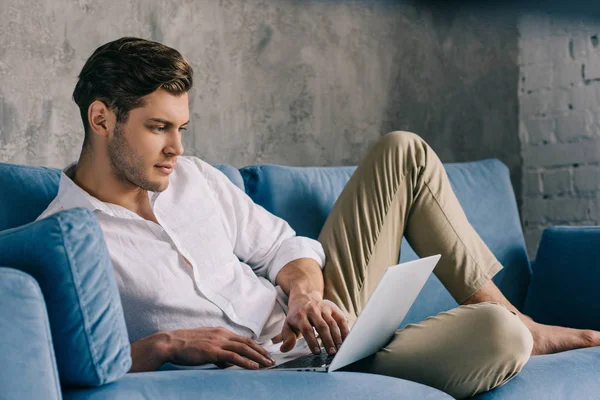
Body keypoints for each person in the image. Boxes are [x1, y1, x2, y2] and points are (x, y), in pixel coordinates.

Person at [37, 36, 600, 399]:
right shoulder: (65, 235)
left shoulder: (193, 177)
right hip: (283, 372)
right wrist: (167, 345)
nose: (176, 148)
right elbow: (71, 361)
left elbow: (285, 245)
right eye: (159, 127)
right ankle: (508, 329)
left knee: (403, 151)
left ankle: (521, 318)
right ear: (102, 118)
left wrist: (306, 293)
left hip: (325, 322)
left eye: (181, 127)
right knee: (497, 338)